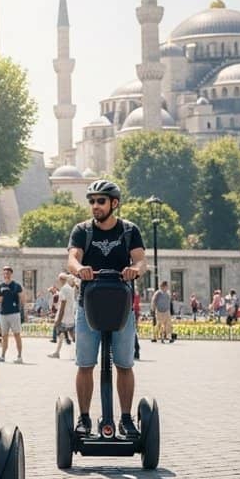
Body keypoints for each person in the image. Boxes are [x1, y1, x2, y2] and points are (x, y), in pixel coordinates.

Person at [67, 179, 148, 441]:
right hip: (88, 306)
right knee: (85, 364)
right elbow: (73, 257)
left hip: (121, 308)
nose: (95, 206)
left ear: (114, 203)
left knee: (124, 364)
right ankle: (84, 418)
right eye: (92, 201)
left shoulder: (128, 231)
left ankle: (124, 418)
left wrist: (136, 269)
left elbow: (141, 259)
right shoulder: (82, 230)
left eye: (100, 201)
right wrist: (79, 269)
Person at [0, 266, 24, 363]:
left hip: (14, 313)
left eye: (8, 273)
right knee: (4, 336)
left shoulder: (16, 286)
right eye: (5, 273)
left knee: (17, 335)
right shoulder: (0, 286)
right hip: (3, 314)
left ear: (11, 274)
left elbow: (22, 299)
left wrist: (23, 312)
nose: (6, 274)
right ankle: (2, 356)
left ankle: (19, 357)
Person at [48, 273, 77, 359]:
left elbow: (63, 305)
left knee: (61, 334)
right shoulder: (70, 289)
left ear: (61, 279)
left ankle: (58, 353)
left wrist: (59, 319)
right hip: (70, 316)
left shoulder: (64, 289)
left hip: (64, 317)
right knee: (71, 335)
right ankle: (58, 352)